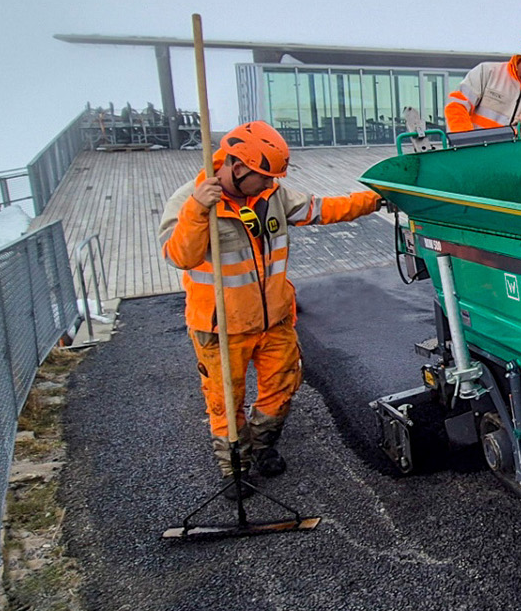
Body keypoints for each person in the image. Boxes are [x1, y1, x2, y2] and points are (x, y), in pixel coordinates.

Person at [158, 121, 382, 478]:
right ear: (238, 168)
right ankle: (234, 466)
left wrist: (376, 199)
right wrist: (198, 211)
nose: (271, 183)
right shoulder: (191, 200)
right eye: (265, 176)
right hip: (220, 328)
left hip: (273, 319)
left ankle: (262, 447)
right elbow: (180, 256)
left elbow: (321, 209)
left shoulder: (271, 196)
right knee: (225, 403)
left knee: (281, 387)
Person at [445, 24, 521, 135]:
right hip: (474, 154)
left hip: (511, 158)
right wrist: (465, 142)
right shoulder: (488, 72)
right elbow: (457, 106)